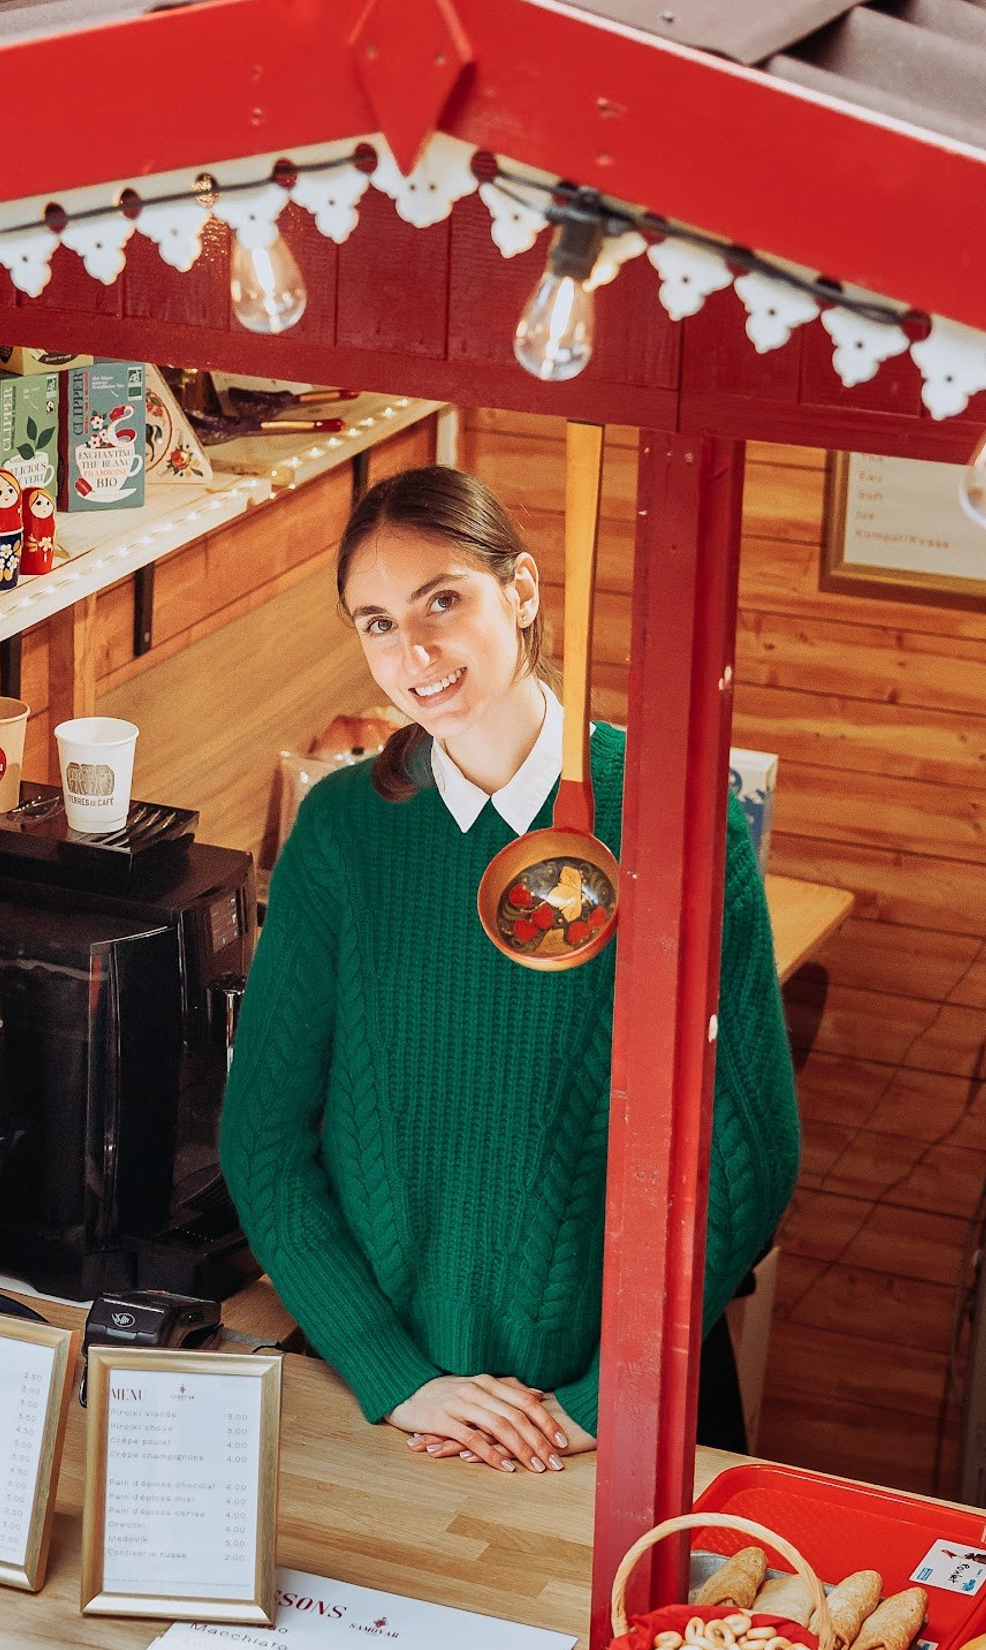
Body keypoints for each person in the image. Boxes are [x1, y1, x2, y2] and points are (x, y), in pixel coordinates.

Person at [219, 465, 800, 1475]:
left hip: (614, 1418)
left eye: (443, 600)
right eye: (379, 623)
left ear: (521, 592)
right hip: (403, 1420)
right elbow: (263, 1145)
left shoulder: (669, 813)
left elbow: (749, 1155)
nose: (416, 653)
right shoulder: (341, 835)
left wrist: (599, 1398)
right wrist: (395, 1374)